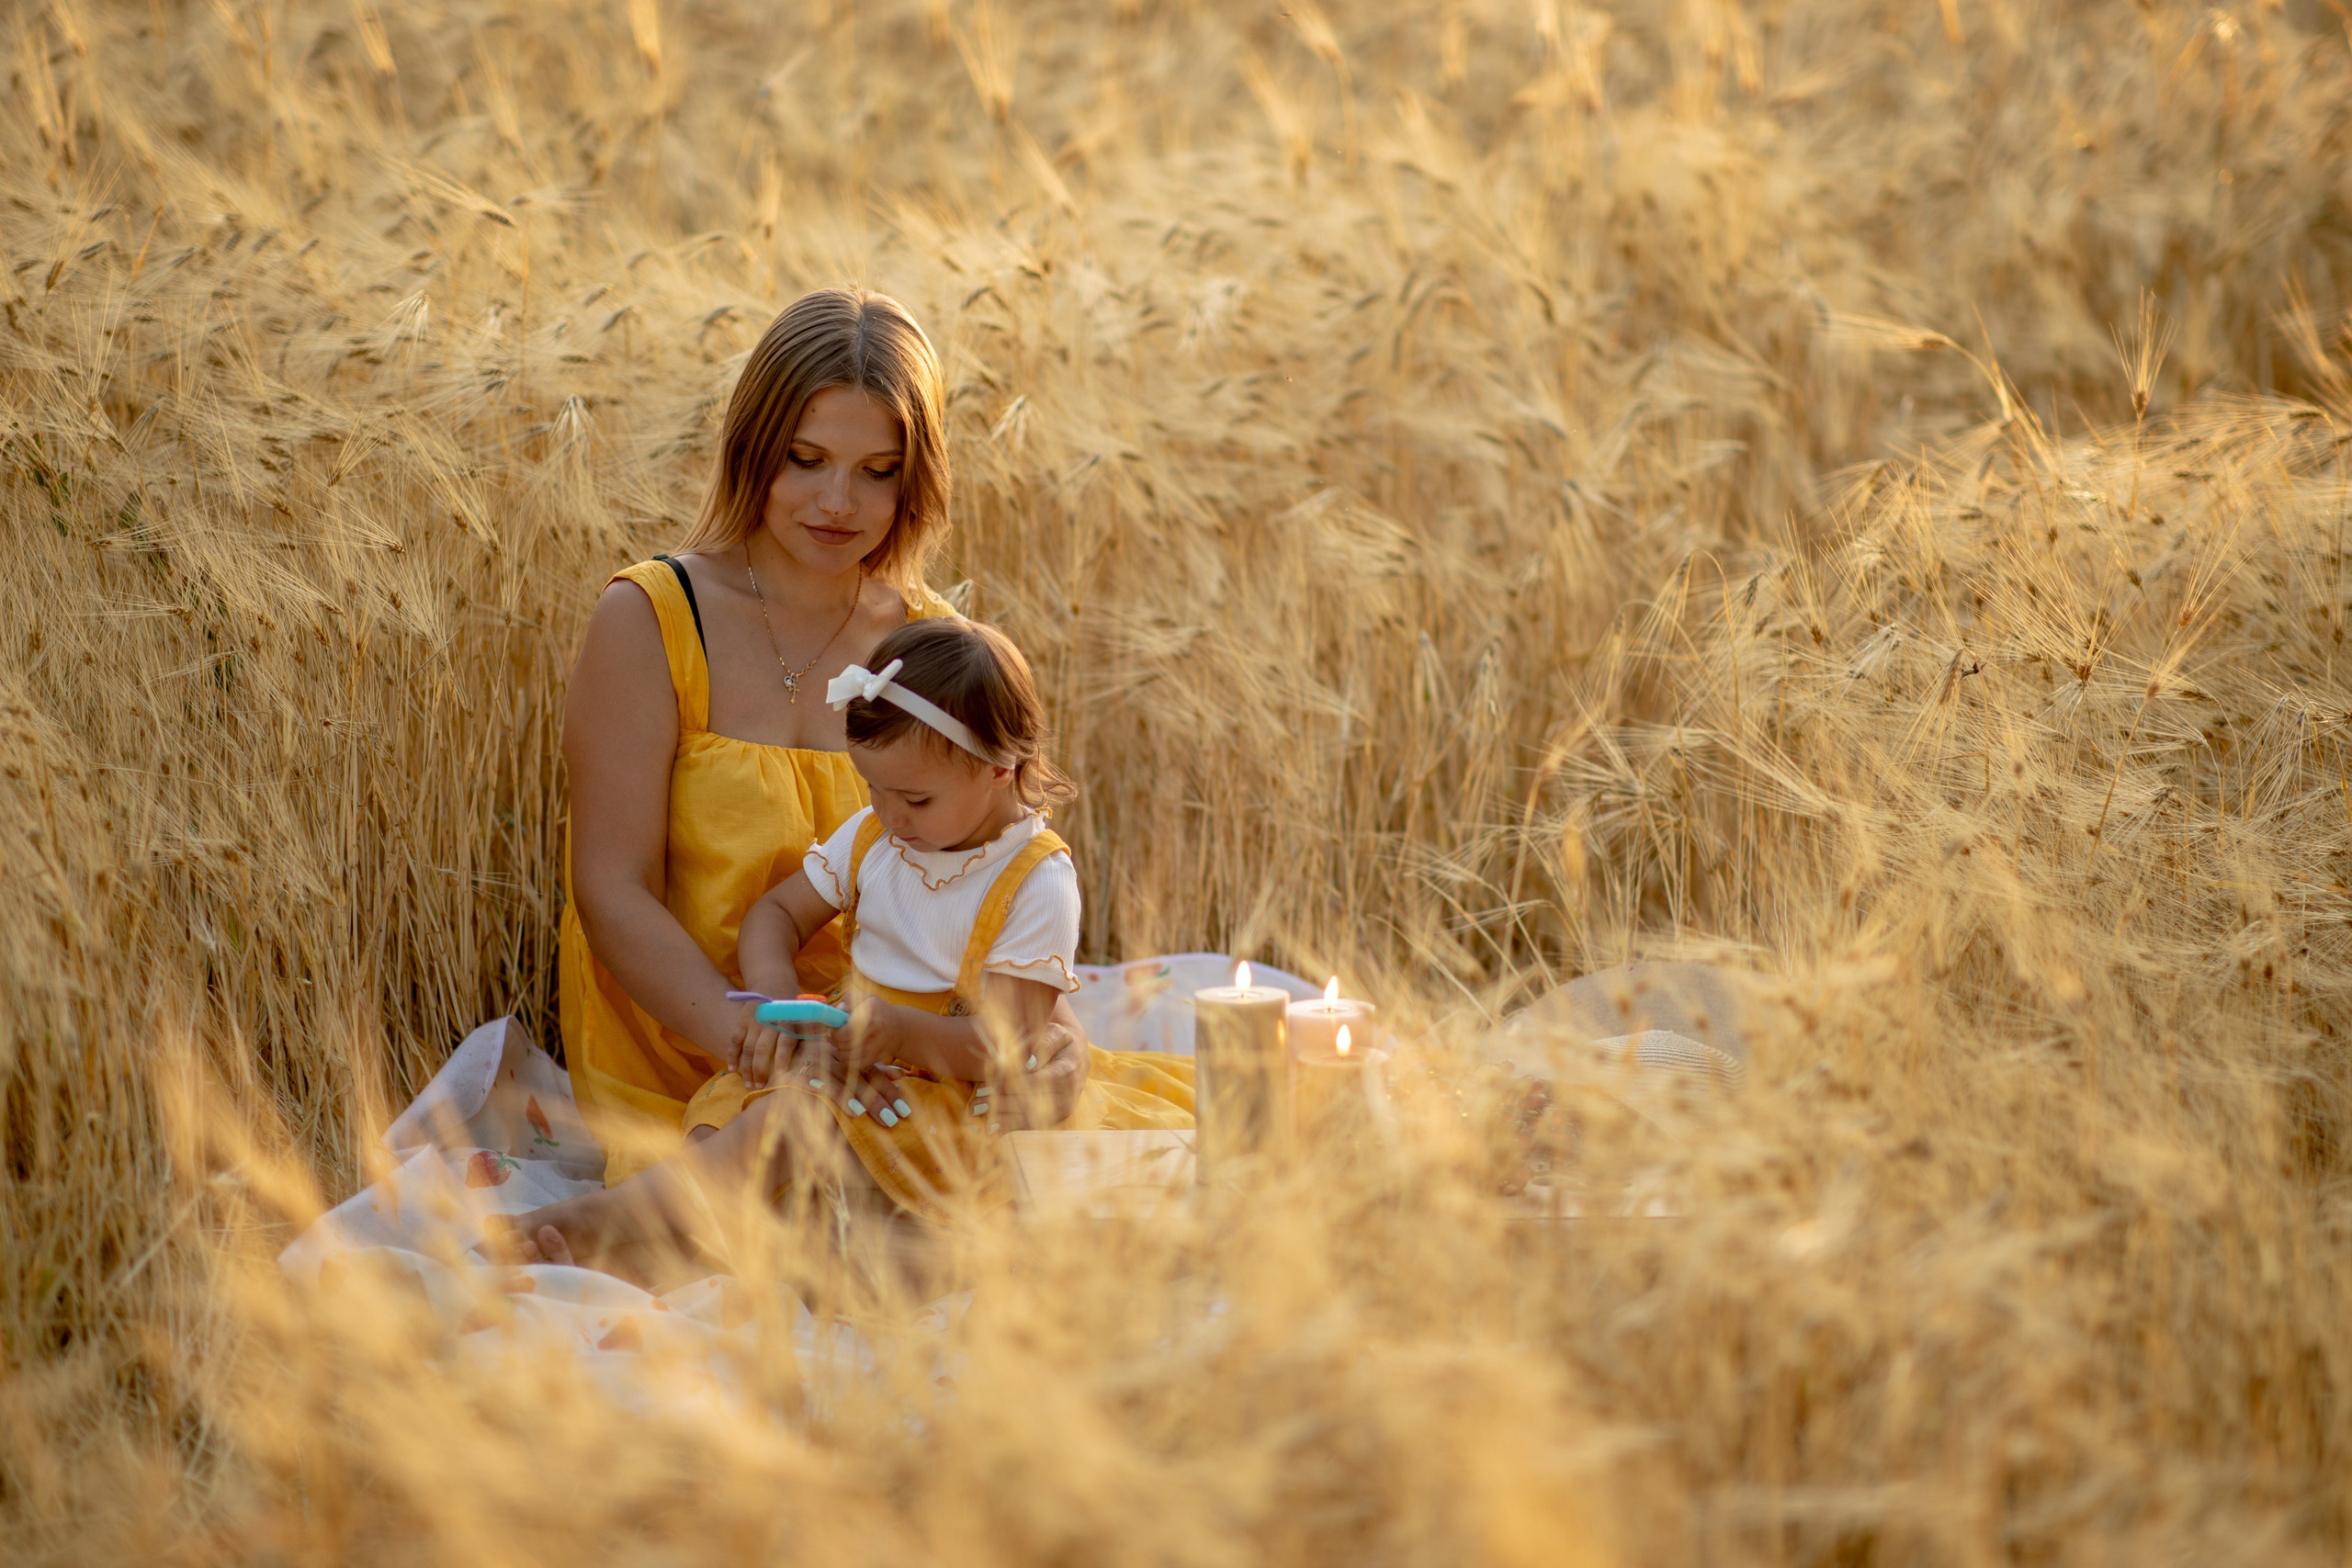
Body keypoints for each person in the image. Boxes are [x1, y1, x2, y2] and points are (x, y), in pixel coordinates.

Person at [557, 286, 1095, 1190]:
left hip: (898, 1050)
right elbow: (611, 890)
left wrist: (1055, 1041)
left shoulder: (934, 650)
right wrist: (768, 1039)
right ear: (754, 447)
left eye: (878, 471)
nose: (838, 501)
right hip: (702, 1036)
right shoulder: (651, 617)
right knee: (797, 1175)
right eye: (806, 460)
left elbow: (1007, 873)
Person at [494, 618, 1193, 1269]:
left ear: (1000, 770)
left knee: (812, 1143)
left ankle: (622, 1228)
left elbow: (1006, 1038)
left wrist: (899, 1033)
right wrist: (775, 998)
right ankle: (662, 1233)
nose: (890, 815)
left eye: (915, 800)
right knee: (740, 1123)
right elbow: (777, 914)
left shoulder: (1035, 879)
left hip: (956, 1095)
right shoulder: (877, 834)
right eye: (873, 788)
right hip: (856, 1055)